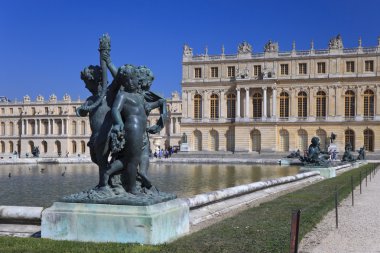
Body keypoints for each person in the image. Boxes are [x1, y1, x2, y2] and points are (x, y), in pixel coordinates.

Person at [99, 64, 149, 194]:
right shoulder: (123, 95)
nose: (132, 82)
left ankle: (108, 171)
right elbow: (115, 109)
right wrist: (119, 123)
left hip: (141, 131)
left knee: (129, 159)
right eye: (128, 80)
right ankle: (132, 188)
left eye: (134, 79)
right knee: (133, 160)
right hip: (133, 129)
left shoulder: (139, 96)